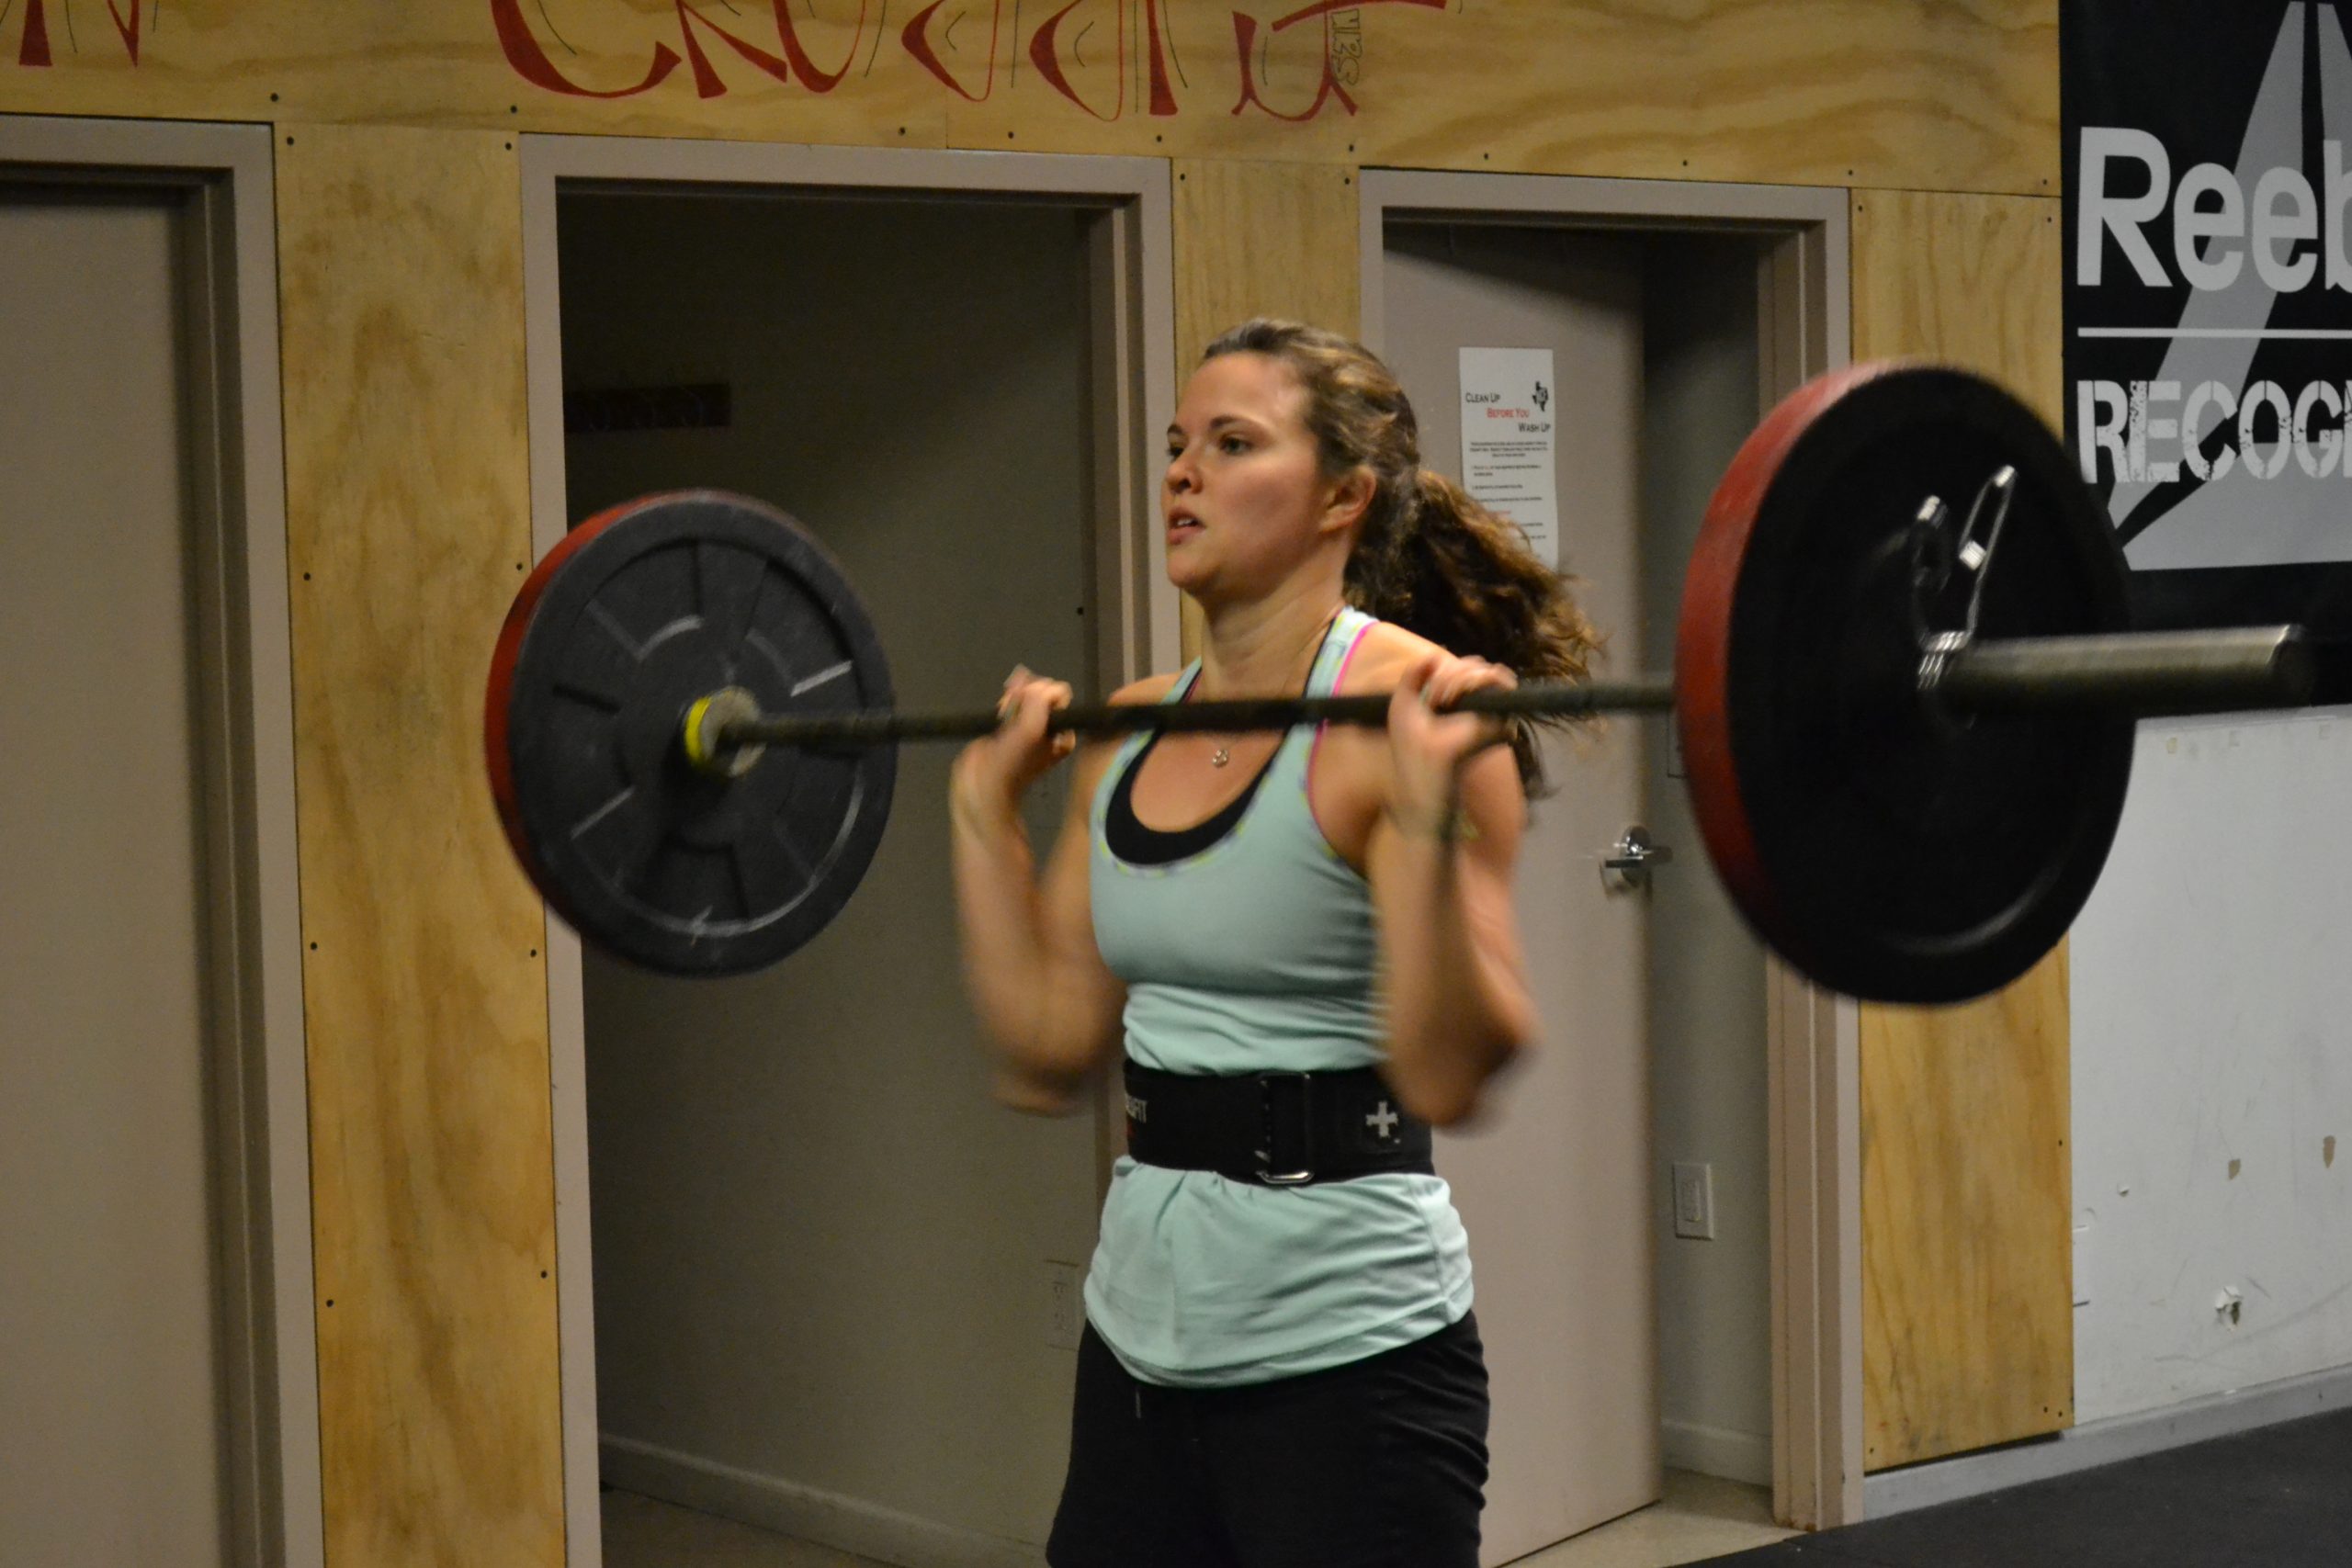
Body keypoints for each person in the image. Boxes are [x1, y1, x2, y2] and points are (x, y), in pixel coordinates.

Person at [948, 318, 1599, 1568]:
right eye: (1177, 444)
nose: (1181, 473)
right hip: (1137, 1347)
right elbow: (1043, 1051)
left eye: (1233, 444)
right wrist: (983, 820)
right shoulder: (1129, 731)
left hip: (1350, 1360)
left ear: (1342, 497)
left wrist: (1427, 815)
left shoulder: (1412, 718)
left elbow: (1451, 1073)